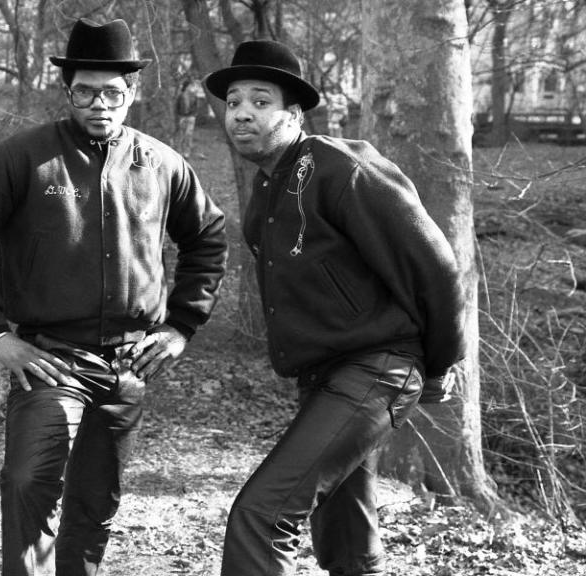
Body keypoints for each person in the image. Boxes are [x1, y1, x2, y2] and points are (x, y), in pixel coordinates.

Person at [0, 18, 228, 576]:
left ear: (132, 94)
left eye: (113, 92)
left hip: (129, 364)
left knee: (94, 504)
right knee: (29, 485)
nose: (99, 103)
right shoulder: (26, 157)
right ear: (67, 92)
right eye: (85, 91)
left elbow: (208, 238)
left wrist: (181, 326)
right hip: (49, 360)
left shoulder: (162, 164)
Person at [204, 40, 467, 576]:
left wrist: (441, 361)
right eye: (234, 103)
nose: (243, 113)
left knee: (260, 515)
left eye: (260, 100)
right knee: (347, 539)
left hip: (377, 370)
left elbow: (435, 266)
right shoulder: (265, 196)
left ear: (294, 113)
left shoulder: (342, 167)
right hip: (325, 381)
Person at [174, 78, 199, 157]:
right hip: (182, 117)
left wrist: (194, 115)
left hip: (191, 117)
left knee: (188, 134)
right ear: (187, 86)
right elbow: (177, 106)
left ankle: (187, 152)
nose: (191, 87)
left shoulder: (194, 95)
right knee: (181, 135)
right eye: (190, 85)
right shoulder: (181, 95)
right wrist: (179, 115)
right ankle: (180, 151)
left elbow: (196, 106)